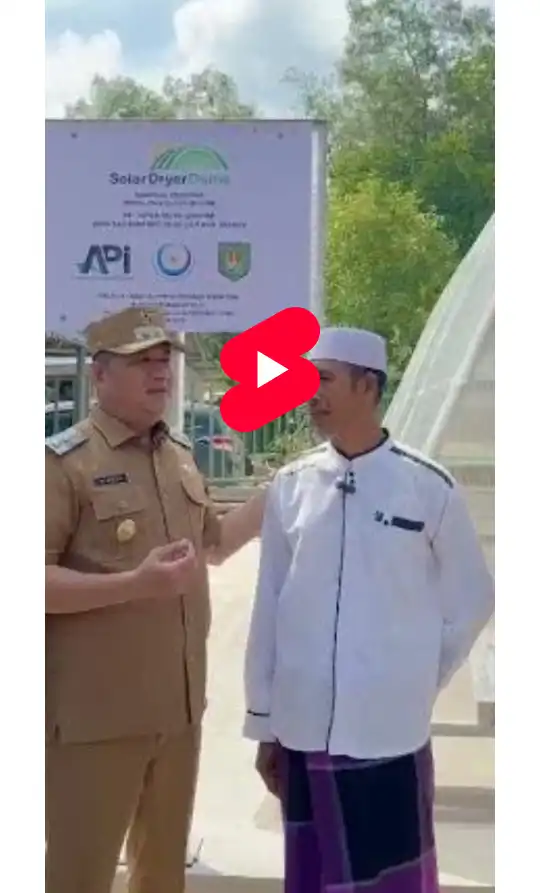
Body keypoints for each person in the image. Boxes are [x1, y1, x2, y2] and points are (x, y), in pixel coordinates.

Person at [243, 326, 494, 893]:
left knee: (390, 876)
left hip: (388, 730)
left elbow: (473, 597)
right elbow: (269, 605)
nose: (311, 394)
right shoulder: (291, 485)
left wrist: (418, 674)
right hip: (303, 727)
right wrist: (264, 723)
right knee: (313, 874)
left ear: (368, 387)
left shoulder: (427, 487)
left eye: (324, 380)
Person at [46, 306, 266, 893]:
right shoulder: (63, 464)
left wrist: (277, 498)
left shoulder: (178, 455)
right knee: (79, 876)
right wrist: (133, 585)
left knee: (162, 877)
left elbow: (214, 545)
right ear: (99, 374)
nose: (160, 372)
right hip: (95, 721)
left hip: (177, 715)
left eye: (164, 359)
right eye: (141, 361)